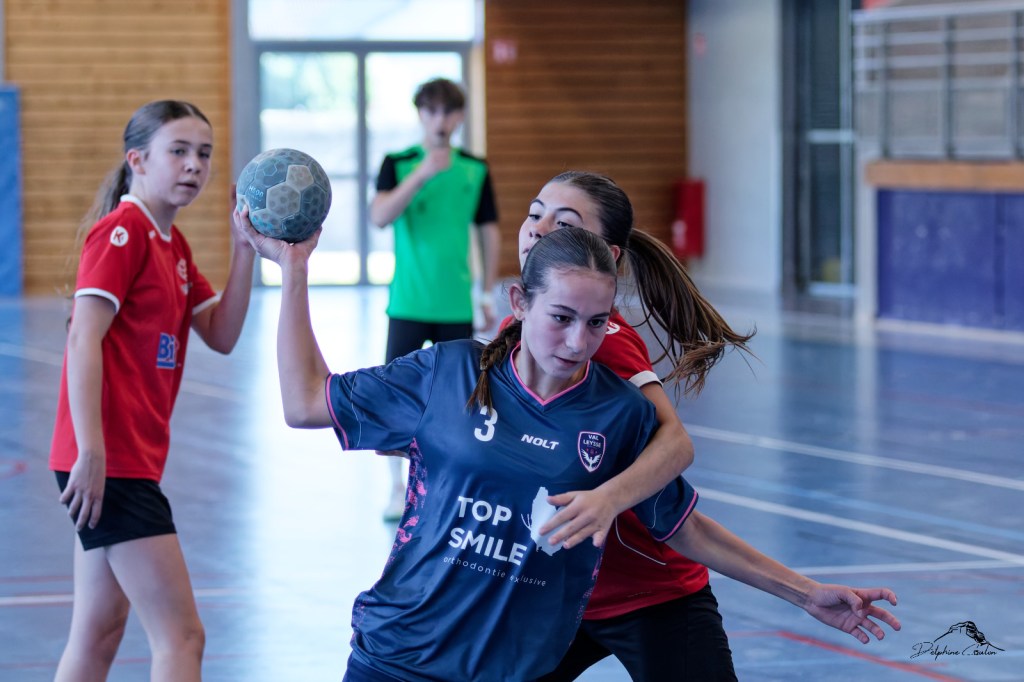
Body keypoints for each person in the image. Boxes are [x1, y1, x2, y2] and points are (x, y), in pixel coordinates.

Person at [243, 222, 900, 682]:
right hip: (398, 657)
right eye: (560, 317)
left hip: (514, 673)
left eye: (596, 322)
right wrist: (295, 271)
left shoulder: (620, 416)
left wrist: (805, 593)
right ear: (519, 303)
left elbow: (686, 529)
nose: (578, 341)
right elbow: (305, 402)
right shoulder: (446, 373)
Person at [48, 100, 255, 682]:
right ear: (137, 160)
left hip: (127, 460)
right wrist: (92, 452)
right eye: (179, 151)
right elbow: (82, 338)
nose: (194, 165)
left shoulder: (173, 245)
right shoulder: (123, 233)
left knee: (97, 634)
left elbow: (222, 333)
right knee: (182, 637)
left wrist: (244, 249)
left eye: (204, 154)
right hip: (109, 463)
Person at [369, 77, 501, 521]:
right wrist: (423, 173)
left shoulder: (475, 169)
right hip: (407, 303)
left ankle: (448, 485)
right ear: (420, 114)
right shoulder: (398, 163)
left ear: (460, 116)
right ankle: (396, 489)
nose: (440, 120)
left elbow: (488, 233)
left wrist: (487, 293)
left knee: (458, 402)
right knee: (395, 397)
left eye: (448, 111)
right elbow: (379, 216)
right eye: (431, 111)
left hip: (455, 306)